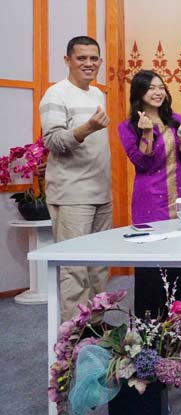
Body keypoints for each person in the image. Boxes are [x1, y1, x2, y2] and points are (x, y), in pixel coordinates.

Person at [40, 36, 112, 321]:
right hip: (71, 195)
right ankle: (74, 338)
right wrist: (86, 128)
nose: (89, 64)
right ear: (67, 60)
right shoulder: (56, 95)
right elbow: (54, 141)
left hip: (101, 193)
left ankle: (95, 330)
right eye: (81, 58)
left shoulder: (97, 94)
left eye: (94, 58)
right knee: (74, 270)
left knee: (99, 267)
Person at [117, 70, 181, 318]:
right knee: (153, 260)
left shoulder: (174, 119)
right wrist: (147, 134)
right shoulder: (127, 127)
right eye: (151, 88)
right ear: (139, 93)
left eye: (161, 87)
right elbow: (142, 163)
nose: (158, 92)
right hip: (150, 199)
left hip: (180, 196)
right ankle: (151, 322)